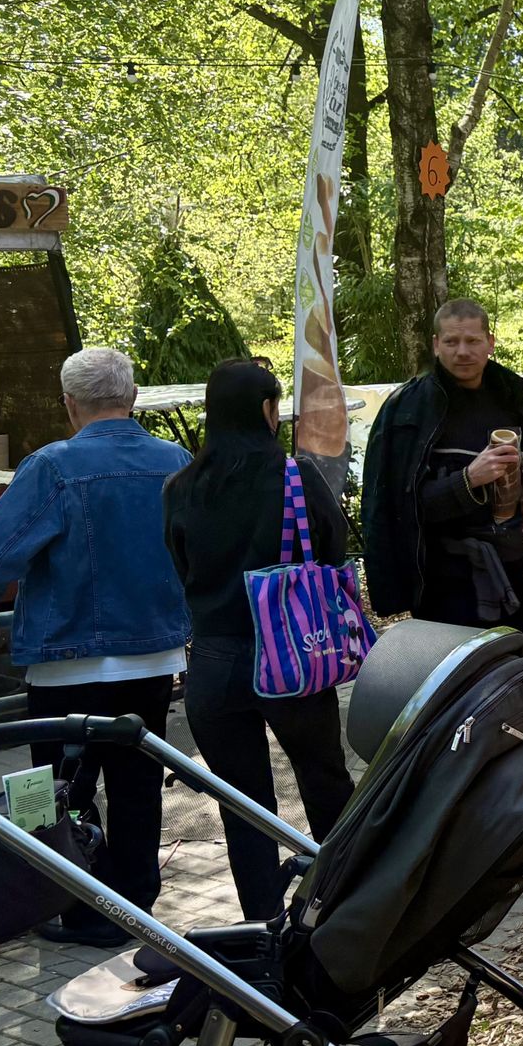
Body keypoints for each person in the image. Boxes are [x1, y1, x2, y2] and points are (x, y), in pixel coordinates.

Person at [0, 348, 190, 945]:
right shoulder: (177, 461)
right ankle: (134, 907)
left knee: (49, 789)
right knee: (137, 785)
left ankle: (62, 902)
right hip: (154, 655)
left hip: (65, 658)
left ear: (69, 404)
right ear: (132, 397)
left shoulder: (53, 466)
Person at [163, 361, 357, 920]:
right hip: (292, 656)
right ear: (268, 410)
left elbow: (182, 566)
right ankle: (341, 900)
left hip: (215, 662)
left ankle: (262, 923)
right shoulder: (296, 476)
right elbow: (333, 550)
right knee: (324, 781)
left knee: (242, 804)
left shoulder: (180, 486)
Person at [361, 299, 523, 654]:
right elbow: (397, 508)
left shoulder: (512, 398)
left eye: (473, 341)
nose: (462, 352)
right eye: (451, 342)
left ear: (490, 342)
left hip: (507, 572)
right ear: (435, 344)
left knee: (512, 682)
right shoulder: (407, 409)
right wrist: (467, 479)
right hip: (443, 581)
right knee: (451, 693)